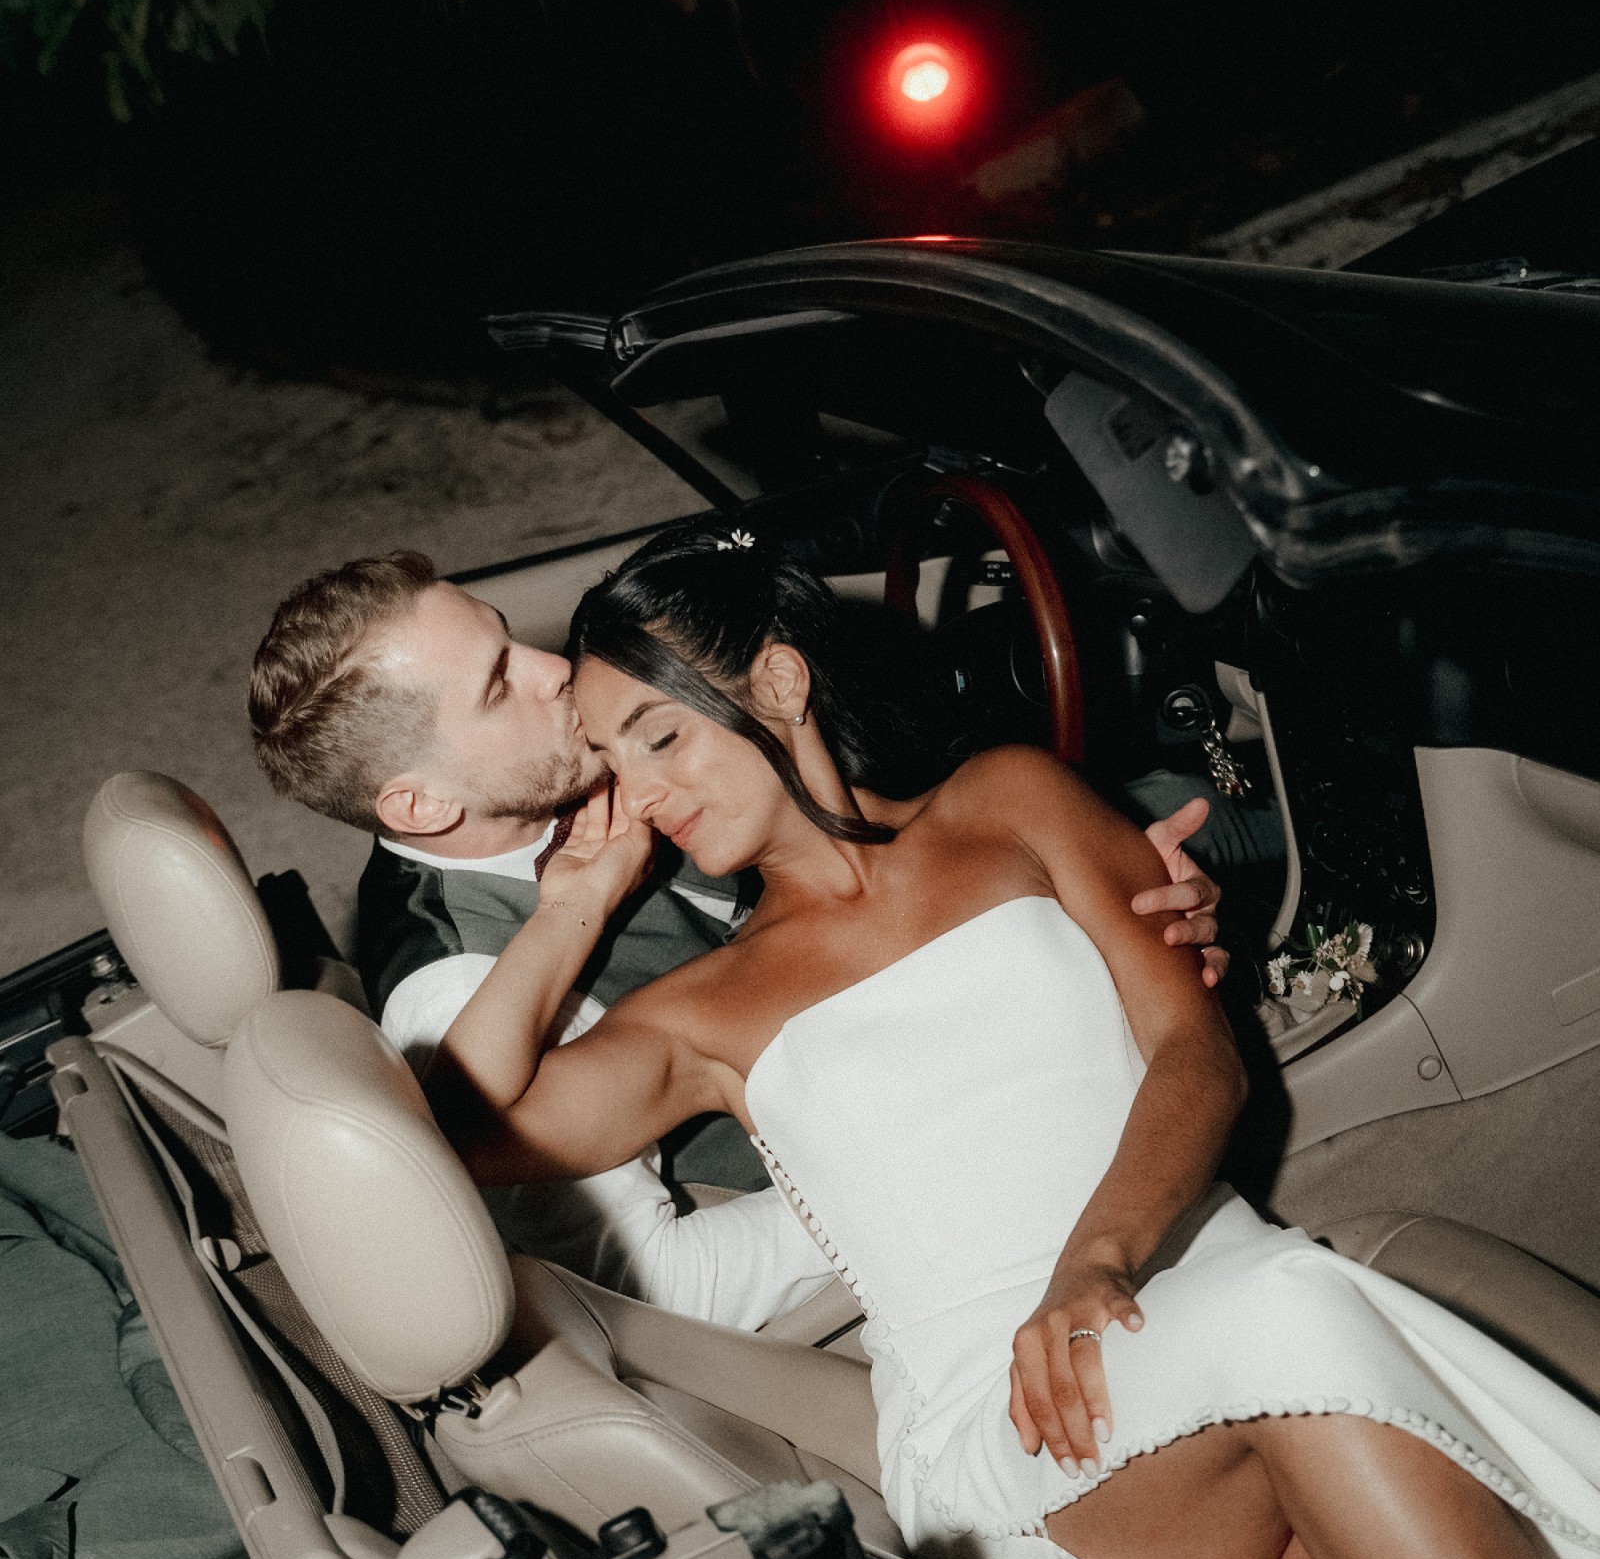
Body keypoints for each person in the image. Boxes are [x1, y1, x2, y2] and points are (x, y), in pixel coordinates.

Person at [428, 527, 1600, 1559]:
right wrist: (567, 908)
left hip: (1211, 1355)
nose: (648, 792)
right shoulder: (704, 1013)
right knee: (1295, 1311)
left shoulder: (1011, 802)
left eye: (664, 735)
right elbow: (459, 1133)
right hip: (1033, 1440)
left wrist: (1101, 1255)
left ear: (777, 681)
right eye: (615, 763)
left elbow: (1195, 1047)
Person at [247, 548, 1226, 1327]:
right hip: (930, 1234)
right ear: (419, 806)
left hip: (960, 948)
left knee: (1193, 813)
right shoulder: (458, 991)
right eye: (500, 684)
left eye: (510, 638)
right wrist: (952, 1151)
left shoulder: (558, 769)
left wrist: (1084, 900)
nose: (554, 671)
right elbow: (667, 1289)